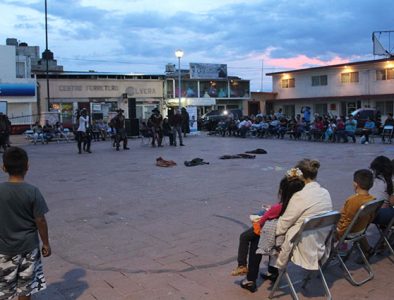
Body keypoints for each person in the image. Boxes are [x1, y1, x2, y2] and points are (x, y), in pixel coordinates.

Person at [236, 170, 305, 293]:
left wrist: (261, 216)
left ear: (282, 191)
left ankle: (246, 273)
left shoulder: (278, 207)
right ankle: (272, 272)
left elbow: (262, 221)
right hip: (288, 235)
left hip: (274, 236)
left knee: (249, 237)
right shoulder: (298, 205)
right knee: (259, 237)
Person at [0, 147, 51, 300]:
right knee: (25, 288)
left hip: (4, 249)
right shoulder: (32, 191)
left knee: (4, 289)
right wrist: (46, 243)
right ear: (27, 166)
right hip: (29, 248)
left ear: (3, 168)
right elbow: (40, 220)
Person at [275, 159, 332, 277]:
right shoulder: (325, 192)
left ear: (300, 175)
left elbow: (281, 227)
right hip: (320, 243)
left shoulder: (300, 196)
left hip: (302, 246)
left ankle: (267, 273)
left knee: (261, 232)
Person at [336, 169, 375, 252]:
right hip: (362, 229)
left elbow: (347, 221)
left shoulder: (352, 200)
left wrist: (340, 234)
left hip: (349, 232)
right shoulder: (373, 199)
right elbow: (371, 217)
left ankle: (340, 251)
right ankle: (367, 250)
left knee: (327, 229)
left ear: (355, 184)